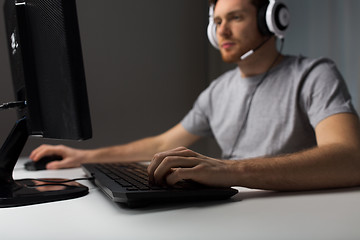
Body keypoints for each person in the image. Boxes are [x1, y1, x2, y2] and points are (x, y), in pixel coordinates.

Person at [30, 0, 360, 191]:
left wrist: (231, 170)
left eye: (235, 18)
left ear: (271, 21)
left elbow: (350, 158)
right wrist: (83, 157)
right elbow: (161, 144)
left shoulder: (314, 75)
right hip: (233, 205)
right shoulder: (218, 91)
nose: (223, 30)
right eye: (217, 21)